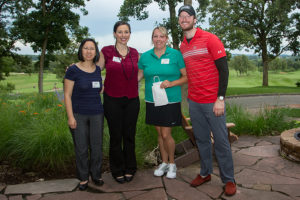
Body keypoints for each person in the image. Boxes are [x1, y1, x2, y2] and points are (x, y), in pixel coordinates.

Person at [177, 5, 236, 196]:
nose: (184, 19)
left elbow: (224, 70)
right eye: (181, 16)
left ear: (195, 19)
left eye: (188, 16)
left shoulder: (210, 39)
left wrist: (220, 99)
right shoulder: (182, 45)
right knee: (202, 140)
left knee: (220, 141)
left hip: (213, 102)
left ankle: (229, 179)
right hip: (194, 102)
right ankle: (205, 173)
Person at [138, 26, 187, 179]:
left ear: (166, 39)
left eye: (161, 36)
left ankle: (172, 164)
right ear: (152, 38)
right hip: (152, 99)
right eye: (155, 36)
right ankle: (164, 163)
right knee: (159, 133)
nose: (158, 39)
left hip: (170, 100)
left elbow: (186, 77)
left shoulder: (175, 54)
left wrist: (171, 83)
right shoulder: (145, 57)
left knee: (166, 134)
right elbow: (138, 76)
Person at [98, 21, 140, 184]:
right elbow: (96, 68)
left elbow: (141, 70)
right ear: (114, 33)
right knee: (116, 136)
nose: (123, 35)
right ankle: (117, 169)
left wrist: (132, 81)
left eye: (126, 32)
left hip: (132, 100)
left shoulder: (135, 52)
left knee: (129, 135)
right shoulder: (106, 51)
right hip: (112, 100)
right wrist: (78, 67)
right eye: (120, 32)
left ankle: (130, 167)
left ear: (130, 34)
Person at [64, 38, 104, 190]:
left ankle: (96, 175)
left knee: (96, 146)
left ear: (96, 52)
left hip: (97, 113)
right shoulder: (73, 70)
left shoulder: (98, 70)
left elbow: (98, 89)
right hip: (78, 114)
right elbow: (67, 95)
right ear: (81, 50)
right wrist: (70, 116)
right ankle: (83, 177)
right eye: (86, 48)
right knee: (81, 147)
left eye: (92, 48)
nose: (88, 51)